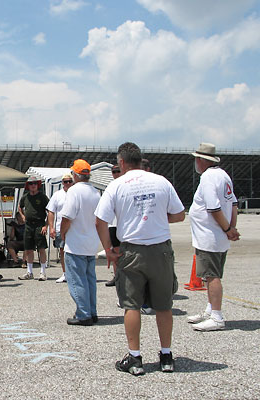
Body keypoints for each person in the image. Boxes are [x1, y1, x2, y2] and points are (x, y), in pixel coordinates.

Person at [95, 142, 185, 375]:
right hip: (160, 250)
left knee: (131, 305)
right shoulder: (161, 181)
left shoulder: (117, 185)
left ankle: (135, 358)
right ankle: (166, 355)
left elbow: (100, 221)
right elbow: (179, 214)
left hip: (131, 250)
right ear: (140, 160)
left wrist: (109, 249)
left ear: (122, 162)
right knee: (164, 305)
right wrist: (158, 218)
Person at [187, 143, 240, 331]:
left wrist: (227, 228)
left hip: (210, 235)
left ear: (201, 160)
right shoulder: (223, 175)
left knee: (212, 276)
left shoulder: (208, 177)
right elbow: (233, 203)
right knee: (209, 275)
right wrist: (232, 227)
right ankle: (210, 309)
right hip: (216, 236)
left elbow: (214, 207)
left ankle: (217, 316)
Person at [60, 160, 100, 326]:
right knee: (90, 280)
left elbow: (67, 217)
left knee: (77, 280)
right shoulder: (95, 192)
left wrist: (62, 234)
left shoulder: (74, 191)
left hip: (76, 243)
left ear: (75, 175)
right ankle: (92, 311)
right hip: (91, 242)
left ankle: (83, 314)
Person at [18, 176, 49, 281]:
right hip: (28, 225)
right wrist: (22, 216)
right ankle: (29, 272)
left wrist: (46, 225)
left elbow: (50, 211)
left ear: (38, 185)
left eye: (35, 183)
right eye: (31, 184)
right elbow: (20, 206)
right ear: (28, 186)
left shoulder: (42, 197)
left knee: (41, 248)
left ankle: (43, 272)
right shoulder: (25, 197)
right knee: (29, 249)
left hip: (39, 224)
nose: (33, 185)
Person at [47, 173, 73, 283]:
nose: (67, 183)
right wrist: (51, 228)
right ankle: (65, 273)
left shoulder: (76, 193)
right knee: (62, 250)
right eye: (65, 181)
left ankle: (75, 273)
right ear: (62, 183)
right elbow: (51, 211)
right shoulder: (57, 195)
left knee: (74, 252)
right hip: (60, 227)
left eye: (69, 181)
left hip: (74, 228)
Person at [105, 165, 121, 287]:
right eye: (114, 172)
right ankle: (117, 276)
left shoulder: (126, 184)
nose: (115, 173)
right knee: (114, 251)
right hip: (112, 224)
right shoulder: (110, 187)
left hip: (123, 224)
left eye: (117, 171)